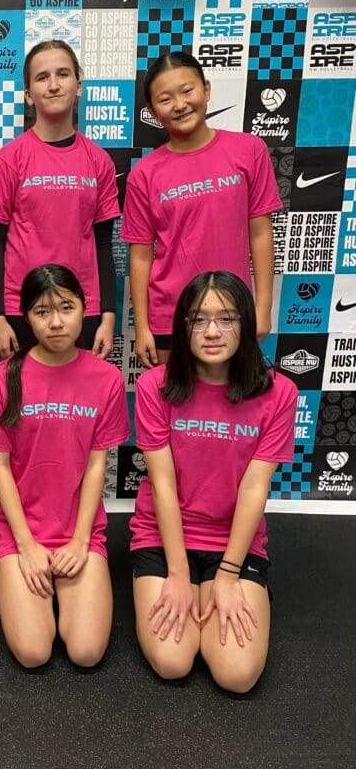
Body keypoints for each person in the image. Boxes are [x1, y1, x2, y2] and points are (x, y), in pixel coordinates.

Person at [130, 271, 297, 693]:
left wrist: (227, 576)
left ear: (246, 322)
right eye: (198, 319)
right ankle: (189, 583)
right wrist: (177, 573)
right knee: (172, 662)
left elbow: (254, 488)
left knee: (237, 675)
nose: (211, 332)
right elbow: (163, 484)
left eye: (226, 318)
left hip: (232, 542)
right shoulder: (154, 386)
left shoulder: (279, 393)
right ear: (182, 325)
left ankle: (228, 587)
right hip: (164, 537)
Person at [0, 264, 129, 668]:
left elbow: (96, 466)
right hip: (20, 531)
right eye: (42, 312)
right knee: (33, 653)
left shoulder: (107, 379)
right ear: (26, 317)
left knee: (86, 653)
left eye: (66, 308)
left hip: (79, 530)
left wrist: (80, 541)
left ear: (84, 309)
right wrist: (25, 545)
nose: (56, 322)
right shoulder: (1, 379)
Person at [121, 51, 281, 369]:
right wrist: (142, 328)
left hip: (233, 311)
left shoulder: (249, 150)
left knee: (232, 398)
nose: (179, 105)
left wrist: (262, 308)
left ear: (206, 89)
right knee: (175, 399)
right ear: (152, 112)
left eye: (187, 90)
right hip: (171, 317)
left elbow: (261, 233)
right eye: (165, 99)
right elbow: (140, 256)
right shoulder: (144, 174)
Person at [0, 40, 120, 360]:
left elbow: (103, 244)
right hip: (22, 307)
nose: (54, 85)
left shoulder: (99, 161)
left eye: (63, 74)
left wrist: (108, 317)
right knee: (23, 392)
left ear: (78, 85)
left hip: (82, 308)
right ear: (29, 95)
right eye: (42, 77)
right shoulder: (10, 158)